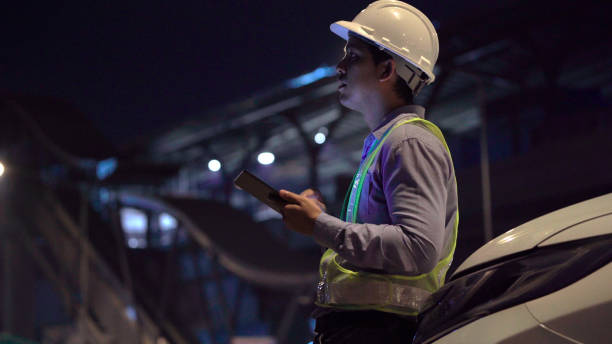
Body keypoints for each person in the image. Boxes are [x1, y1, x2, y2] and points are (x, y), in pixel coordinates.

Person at [278, 1, 458, 343]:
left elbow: (418, 248)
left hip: (383, 332)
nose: (340, 67)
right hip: (372, 330)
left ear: (386, 70)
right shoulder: (388, 142)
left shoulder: (407, 141)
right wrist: (320, 217)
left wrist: (319, 225)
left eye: (354, 57)